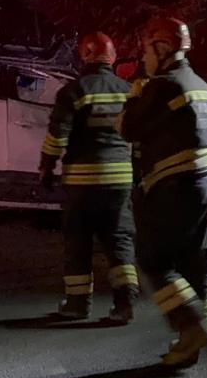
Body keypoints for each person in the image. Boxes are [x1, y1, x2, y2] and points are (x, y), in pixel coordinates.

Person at [118, 16, 207, 367]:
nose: (144, 56)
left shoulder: (162, 85)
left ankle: (191, 326)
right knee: (196, 267)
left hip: (176, 186)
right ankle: (190, 344)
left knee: (153, 262)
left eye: (147, 49)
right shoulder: (203, 86)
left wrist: (134, 92)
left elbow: (127, 128)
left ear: (162, 49)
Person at [39, 32, 139, 325]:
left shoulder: (73, 91)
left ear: (85, 54)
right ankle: (125, 304)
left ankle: (77, 304)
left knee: (78, 243)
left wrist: (46, 168)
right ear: (112, 57)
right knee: (119, 241)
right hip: (120, 181)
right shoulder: (128, 90)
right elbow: (137, 137)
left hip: (82, 183)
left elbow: (58, 136)